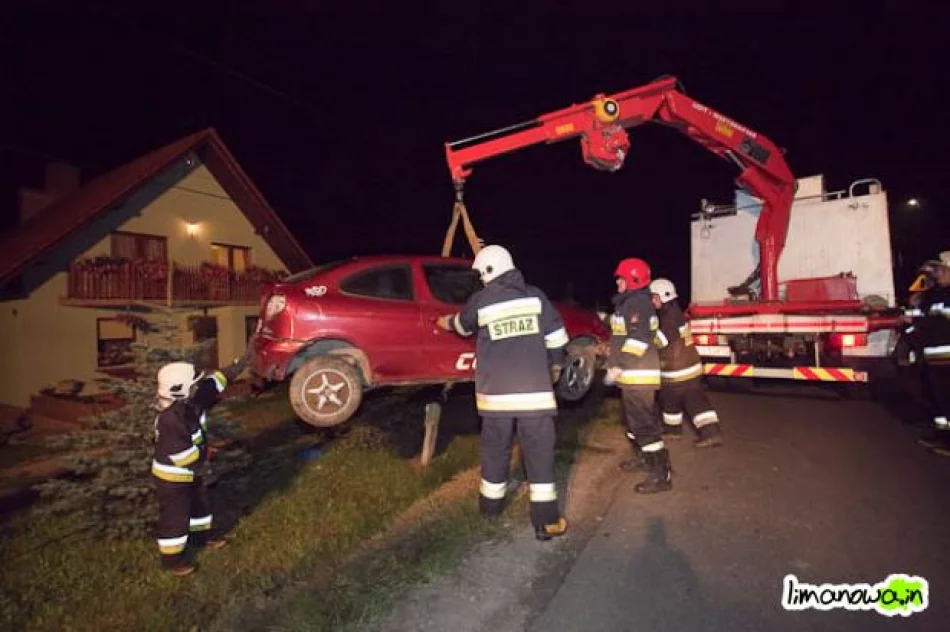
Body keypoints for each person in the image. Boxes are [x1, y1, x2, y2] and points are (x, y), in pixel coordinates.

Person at [437, 245, 570, 541]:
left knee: (495, 450)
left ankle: (490, 507)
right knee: (539, 456)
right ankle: (546, 522)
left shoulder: (481, 300)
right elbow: (558, 338)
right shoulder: (535, 297)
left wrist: (444, 321)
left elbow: (462, 326)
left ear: (488, 271)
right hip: (535, 397)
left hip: (495, 398)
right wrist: (555, 365)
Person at [152, 350, 249, 576]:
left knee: (200, 506)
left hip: (192, 472)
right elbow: (181, 456)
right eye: (193, 384)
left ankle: (200, 537)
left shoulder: (189, 402)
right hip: (173, 479)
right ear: (179, 390)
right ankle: (173, 560)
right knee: (175, 517)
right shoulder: (170, 419)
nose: (197, 387)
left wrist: (239, 365)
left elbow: (212, 385)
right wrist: (204, 460)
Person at [605, 258, 671, 493]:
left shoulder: (637, 303)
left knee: (644, 426)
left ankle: (661, 475)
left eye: (621, 278)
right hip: (632, 375)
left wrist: (619, 365)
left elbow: (639, 338)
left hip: (638, 375)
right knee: (633, 423)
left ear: (633, 280)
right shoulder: (631, 303)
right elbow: (646, 336)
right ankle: (644, 458)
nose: (617, 282)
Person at [649, 278, 724, 448]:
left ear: (661, 297)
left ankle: (712, 434)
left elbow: (660, 341)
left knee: (694, 403)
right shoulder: (673, 313)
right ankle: (672, 431)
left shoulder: (669, 318)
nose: (651, 301)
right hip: (683, 368)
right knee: (670, 399)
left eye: (653, 297)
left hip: (680, 370)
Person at [905, 251, 950, 456]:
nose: (937, 274)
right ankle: (942, 436)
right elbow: (927, 316)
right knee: (938, 399)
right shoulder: (937, 294)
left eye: (942, 270)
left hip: (946, 357)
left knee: (946, 399)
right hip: (935, 358)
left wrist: (917, 322)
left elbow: (938, 323)